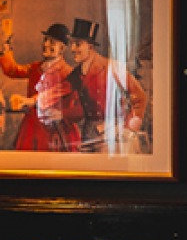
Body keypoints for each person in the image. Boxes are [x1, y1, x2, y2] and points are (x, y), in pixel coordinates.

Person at [65, 17, 148, 153]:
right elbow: (69, 100)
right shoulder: (75, 74)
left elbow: (139, 97)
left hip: (113, 132)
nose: (72, 49)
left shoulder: (111, 67)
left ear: (90, 47)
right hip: (88, 133)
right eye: (72, 44)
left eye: (78, 44)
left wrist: (128, 127)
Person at [0, 18, 82, 152]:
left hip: (54, 130)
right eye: (45, 40)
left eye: (52, 42)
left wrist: (28, 101)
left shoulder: (68, 73)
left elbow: (52, 95)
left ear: (62, 48)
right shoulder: (36, 67)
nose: (46, 44)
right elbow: (12, 70)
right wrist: (5, 44)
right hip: (31, 126)